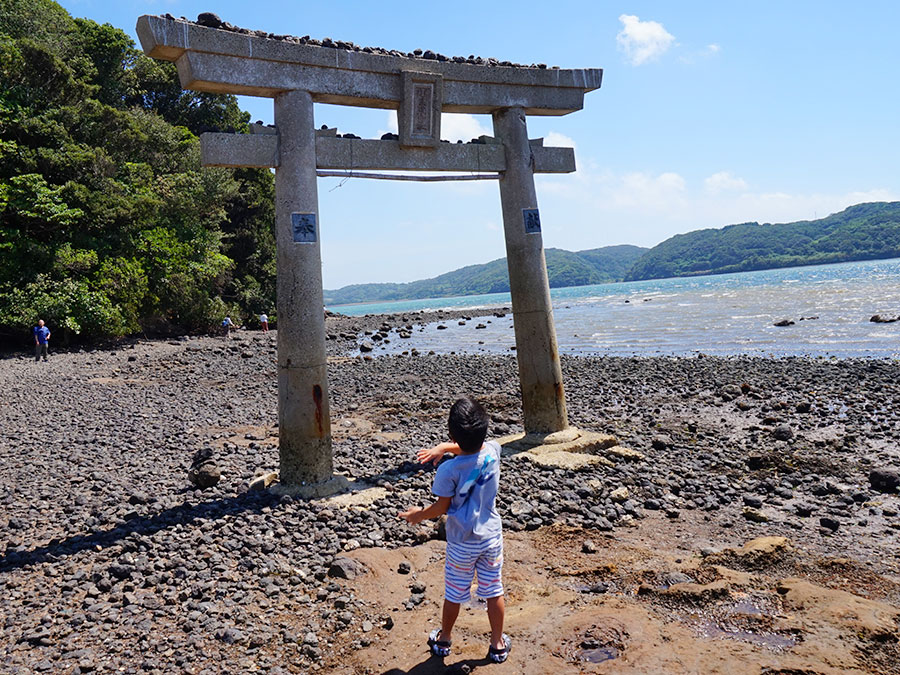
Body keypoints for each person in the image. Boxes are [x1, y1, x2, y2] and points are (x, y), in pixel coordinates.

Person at [399, 396, 510, 663]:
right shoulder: (492, 453)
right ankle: (497, 644)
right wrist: (446, 447)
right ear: (485, 428)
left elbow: (442, 507)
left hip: (462, 542)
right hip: (491, 537)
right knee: (494, 590)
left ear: (451, 433)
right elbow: (477, 447)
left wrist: (418, 516)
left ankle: (445, 638)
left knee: (454, 593)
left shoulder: (448, 470)